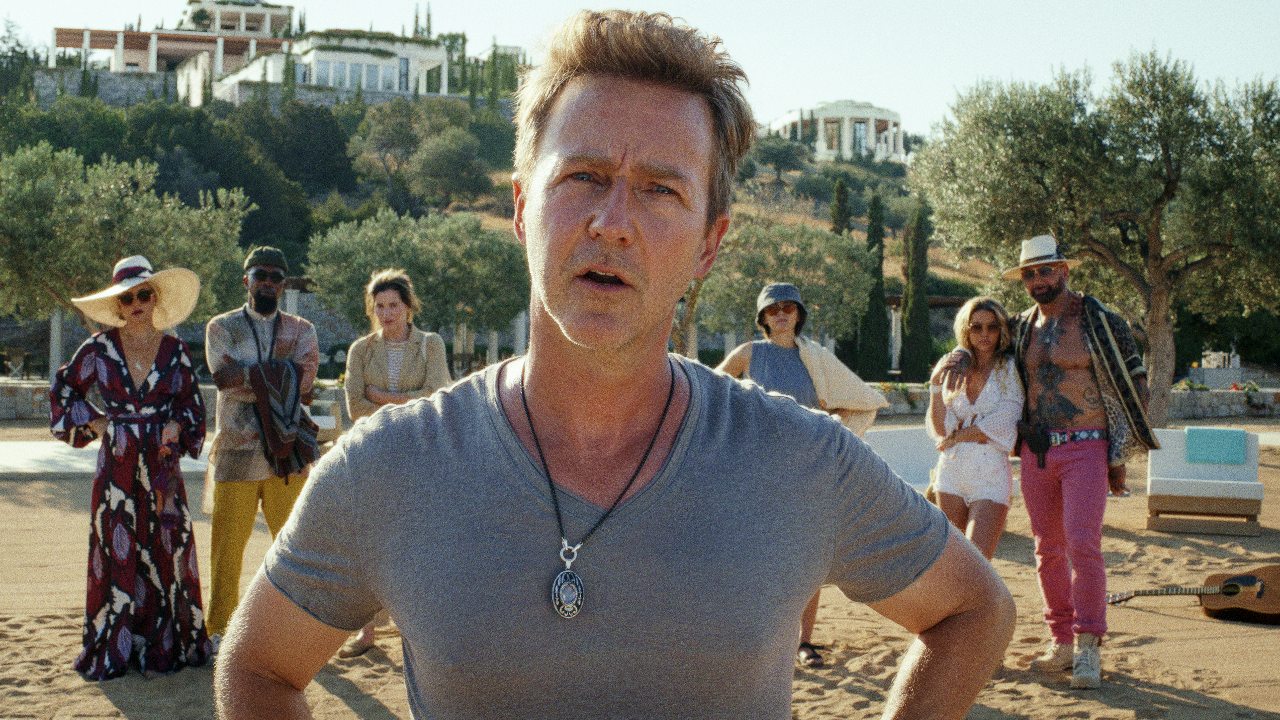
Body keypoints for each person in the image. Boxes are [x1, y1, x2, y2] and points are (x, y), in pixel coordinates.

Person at [216, 11, 1014, 719]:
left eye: (661, 190)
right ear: (522, 207)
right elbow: (257, 669)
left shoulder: (800, 459)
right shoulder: (387, 468)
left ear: (709, 244)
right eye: (585, 177)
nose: (613, 222)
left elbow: (975, 612)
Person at [945, 235, 1157, 689]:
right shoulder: (1020, 327)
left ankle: (1087, 646)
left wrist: (1119, 451)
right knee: (1047, 550)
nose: (1038, 280)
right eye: (1029, 274)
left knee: (1083, 544)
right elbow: (982, 345)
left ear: (1064, 270)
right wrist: (961, 353)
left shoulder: (1099, 319)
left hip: (1086, 445)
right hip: (1036, 450)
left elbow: (1136, 380)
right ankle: (1061, 640)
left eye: (1045, 270)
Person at [51, 256, 211, 680]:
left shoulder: (176, 351)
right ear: (118, 305)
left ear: (155, 298)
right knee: (117, 547)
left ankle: (165, 645)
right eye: (127, 297)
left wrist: (177, 424)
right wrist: (98, 422)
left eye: (144, 294)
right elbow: (63, 390)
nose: (137, 303)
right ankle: (116, 645)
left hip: (162, 467)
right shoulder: (98, 348)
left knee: (166, 548)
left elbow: (193, 406)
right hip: (117, 465)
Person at [717, 281, 888, 667]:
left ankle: (803, 642)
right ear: (762, 317)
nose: (781, 314)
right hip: (758, 469)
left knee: (807, 558)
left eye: (788, 307)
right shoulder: (748, 353)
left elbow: (856, 399)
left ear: (799, 314)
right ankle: (758, 641)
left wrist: (830, 425)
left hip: (807, 469)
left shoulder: (816, 357)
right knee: (758, 556)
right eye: (772, 308)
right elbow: (713, 389)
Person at [203, 246, 320, 645]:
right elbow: (223, 380)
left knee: (293, 549)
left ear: (283, 285)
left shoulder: (302, 329)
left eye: (275, 277)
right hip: (235, 450)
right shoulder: (221, 326)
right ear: (246, 280)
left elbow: (305, 382)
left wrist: (252, 376)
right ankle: (220, 630)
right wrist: (282, 378)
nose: (268, 282)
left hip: (287, 453)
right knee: (227, 549)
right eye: (260, 275)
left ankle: (292, 630)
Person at [339, 269, 451, 657]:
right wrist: (405, 399)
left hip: (420, 452)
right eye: (380, 306)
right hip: (372, 452)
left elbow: (438, 395)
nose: (386, 313)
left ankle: (414, 631)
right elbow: (355, 406)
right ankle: (366, 631)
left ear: (408, 306)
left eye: (393, 305)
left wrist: (382, 396)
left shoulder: (430, 345)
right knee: (368, 541)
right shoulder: (361, 349)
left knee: (416, 542)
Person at [925, 296, 1022, 560]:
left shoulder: (1010, 368)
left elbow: (1005, 420)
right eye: (976, 327)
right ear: (966, 330)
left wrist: (957, 436)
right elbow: (941, 430)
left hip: (990, 475)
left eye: (992, 327)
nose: (984, 334)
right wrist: (935, 385)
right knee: (953, 561)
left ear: (1001, 330)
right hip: (951, 472)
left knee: (978, 561)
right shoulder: (955, 367)